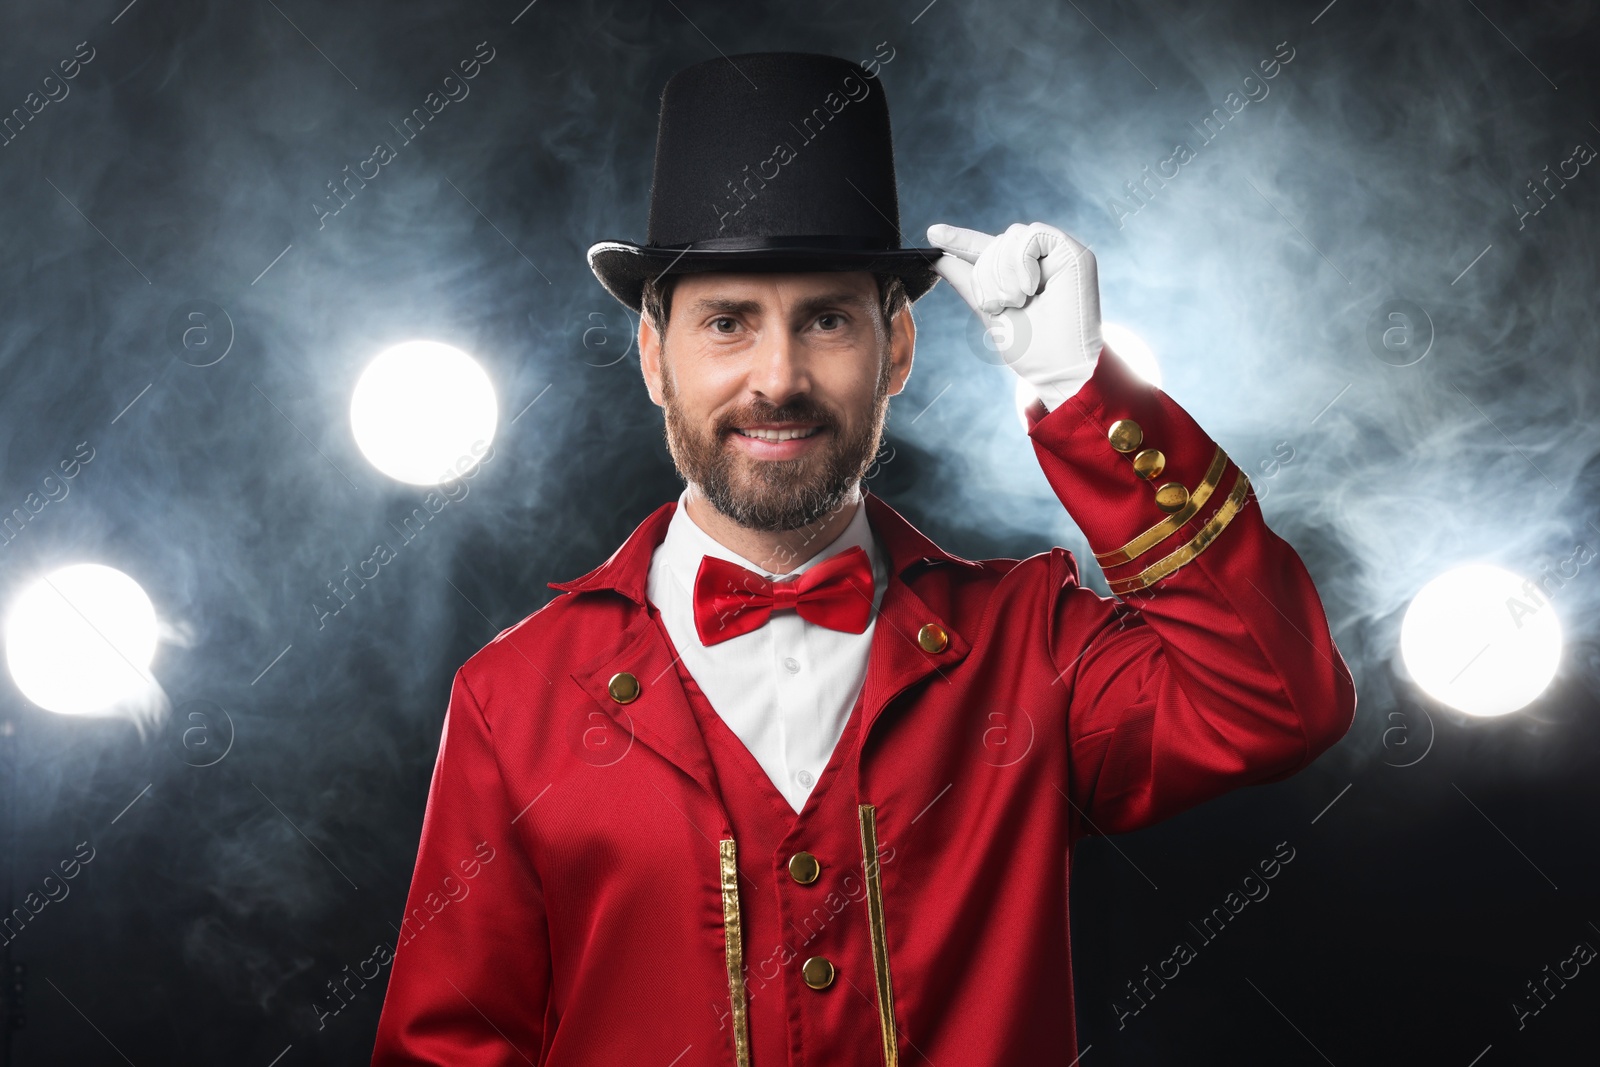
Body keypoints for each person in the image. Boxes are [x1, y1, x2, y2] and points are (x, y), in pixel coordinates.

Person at [370, 51, 1354, 1066]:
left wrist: (1080, 388)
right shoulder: (510, 698)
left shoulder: (1026, 645)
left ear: (898, 347)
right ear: (655, 357)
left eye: (827, 319)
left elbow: (1278, 697)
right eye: (726, 322)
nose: (779, 377)